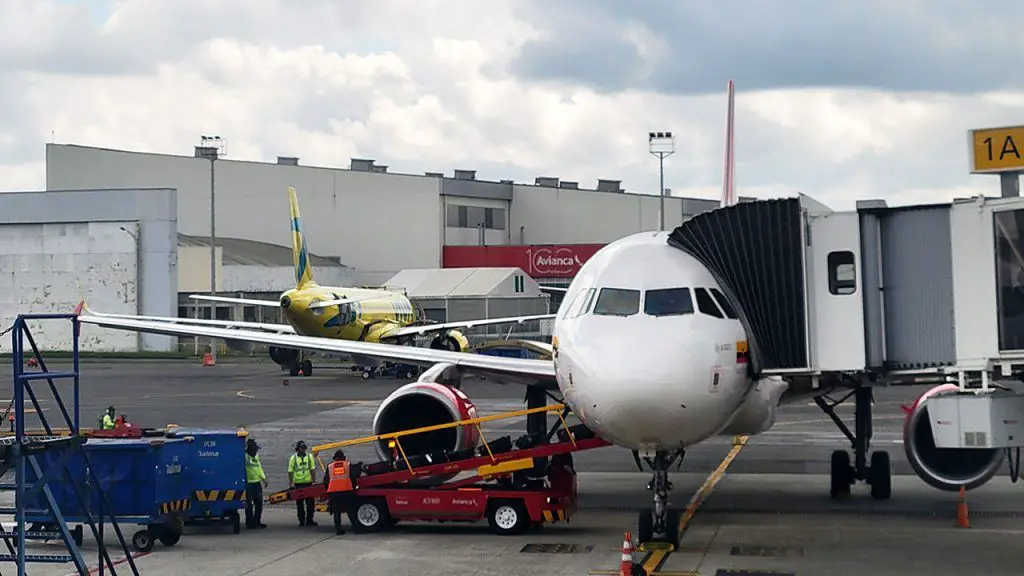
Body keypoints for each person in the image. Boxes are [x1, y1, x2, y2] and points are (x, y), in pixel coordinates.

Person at [324, 449, 360, 535]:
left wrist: (328, 490)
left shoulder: (330, 466)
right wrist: (354, 488)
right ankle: (356, 528)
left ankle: (339, 530)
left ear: (335, 458)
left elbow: (326, 481)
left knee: (337, 512)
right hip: (346, 490)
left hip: (334, 492)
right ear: (343, 457)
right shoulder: (347, 465)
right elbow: (353, 477)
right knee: (350, 510)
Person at [288, 440, 317, 526]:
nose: (302, 450)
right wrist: (291, 483)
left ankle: (309, 520)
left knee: (310, 503)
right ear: (297, 449)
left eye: (304, 448)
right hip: (298, 484)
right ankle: (301, 521)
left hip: (308, 483)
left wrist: (313, 479)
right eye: (301, 448)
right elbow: (290, 471)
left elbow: (312, 469)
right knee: (300, 504)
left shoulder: (309, 457)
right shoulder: (293, 458)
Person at [244, 438, 268, 529]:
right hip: (248, 484)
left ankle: (257, 521)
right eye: (254, 449)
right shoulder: (244, 457)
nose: (255, 451)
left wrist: (264, 478)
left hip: (256, 483)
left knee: (259, 504)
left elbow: (259, 467)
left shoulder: (256, 456)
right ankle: (249, 523)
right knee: (249, 505)